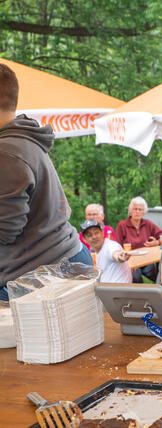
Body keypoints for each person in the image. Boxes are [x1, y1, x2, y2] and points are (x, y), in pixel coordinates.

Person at [0, 63, 92, 300]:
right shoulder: (24, 140)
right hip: (63, 260)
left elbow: (5, 230)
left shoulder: (6, 152)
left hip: (42, 276)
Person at [115, 196, 162, 282]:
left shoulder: (148, 224)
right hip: (130, 261)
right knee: (136, 278)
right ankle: (140, 295)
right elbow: (117, 247)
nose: (137, 212)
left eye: (140, 209)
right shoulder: (122, 225)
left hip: (146, 260)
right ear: (130, 211)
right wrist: (129, 263)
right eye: (135, 209)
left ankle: (161, 293)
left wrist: (157, 242)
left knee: (159, 275)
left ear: (144, 212)